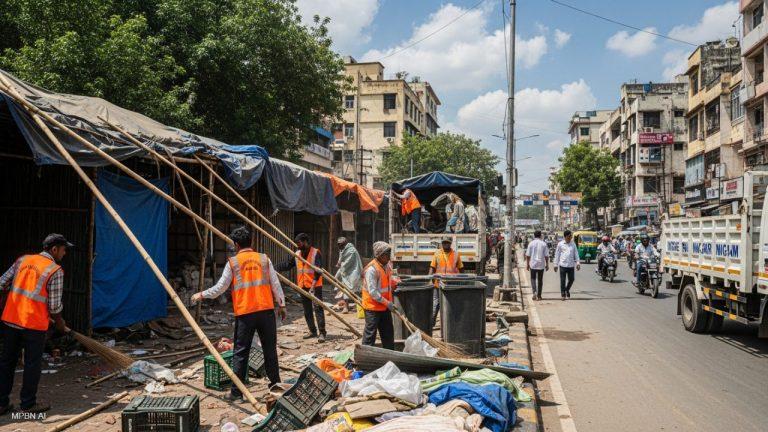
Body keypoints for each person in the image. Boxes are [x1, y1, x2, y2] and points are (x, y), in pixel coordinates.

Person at [192, 227, 285, 400]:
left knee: (241, 353)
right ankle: (275, 386)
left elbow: (220, 288)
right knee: (269, 351)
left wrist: (202, 294)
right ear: (252, 241)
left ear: (236, 244)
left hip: (245, 315)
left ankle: (237, 393)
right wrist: (282, 304)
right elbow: (275, 283)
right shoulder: (264, 259)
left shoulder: (233, 263)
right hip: (266, 312)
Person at [0, 234, 73, 414]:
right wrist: (60, 323)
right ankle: (28, 405)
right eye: (64, 250)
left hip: (11, 320)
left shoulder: (23, 260)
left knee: (7, 362)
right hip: (33, 326)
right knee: (32, 364)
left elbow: (2, 283)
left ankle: (1, 403)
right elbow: (55, 306)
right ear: (54, 249)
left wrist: (9, 302)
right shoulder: (55, 270)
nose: (65, 254)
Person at [277, 233, 326, 342]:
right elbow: (288, 265)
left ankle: (322, 332)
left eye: (299, 243)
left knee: (318, 309)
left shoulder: (315, 253)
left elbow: (318, 272)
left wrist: (313, 286)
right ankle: (312, 331)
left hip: (315, 286)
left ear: (305, 242)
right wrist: (275, 267)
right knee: (307, 310)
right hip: (302, 286)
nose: (297, 246)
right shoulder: (297, 253)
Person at [361, 242, 399, 350]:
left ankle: (390, 356)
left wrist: (395, 283)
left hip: (384, 306)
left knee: (388, 334)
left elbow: (387, 282)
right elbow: (373, 292)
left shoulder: (386, 266)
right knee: (370, 335)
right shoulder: (372, 270)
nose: (389, 256)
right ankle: (365, 357)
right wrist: (388, 303)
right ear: (380, 255)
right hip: (372, 307)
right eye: (387, 254)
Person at [429, 238, 463, 325]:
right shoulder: (437, 254)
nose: (445, 245)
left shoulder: (456, 254)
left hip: (451, 284)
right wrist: (430, 279)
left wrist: (462, 280)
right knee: (435, 304)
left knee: (450, 304)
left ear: (450, 244)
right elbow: (432, 267)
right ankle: (431, 323)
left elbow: (461, 268)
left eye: (447, 243)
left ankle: (451, 323)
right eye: (444, 243)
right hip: (438, 283)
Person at [334, 237, 362, 313]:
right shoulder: (342, 250)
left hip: (353, 272)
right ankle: (346, 306)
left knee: (354, 290)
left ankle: (359, 306)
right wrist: (339, 263)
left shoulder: (351, 251)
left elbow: (348, 262)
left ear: (344, 244)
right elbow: (341, 258)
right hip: (345, 273)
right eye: (338, 244)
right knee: (344, 289)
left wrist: (340, 265)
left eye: (340, 244)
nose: (339, 246)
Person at [553, 229, 580, 300]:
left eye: (571, 236)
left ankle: (567, 289)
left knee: (572, 279)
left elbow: (576, 254)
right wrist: (555, 265)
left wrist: (578, 263)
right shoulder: (560, 244)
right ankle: (563, 294)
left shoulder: (573, 244)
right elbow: (557, 255)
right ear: (565, 237)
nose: (570, 237)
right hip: (562, 265)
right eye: (569, 236)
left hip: (571, 265)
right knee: (563, 280)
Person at [526, 230, 549, 300]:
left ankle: (534, 292)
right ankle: (539, 295)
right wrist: (547, 264)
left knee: (533, 279)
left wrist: (527, 264)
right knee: (540, 280)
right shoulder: (543, 244)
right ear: (540, 236)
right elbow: (546, 256)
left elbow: (527, 255)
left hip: (533, 264)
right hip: (541, 264)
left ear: (534, 235)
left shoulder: (531, 243)